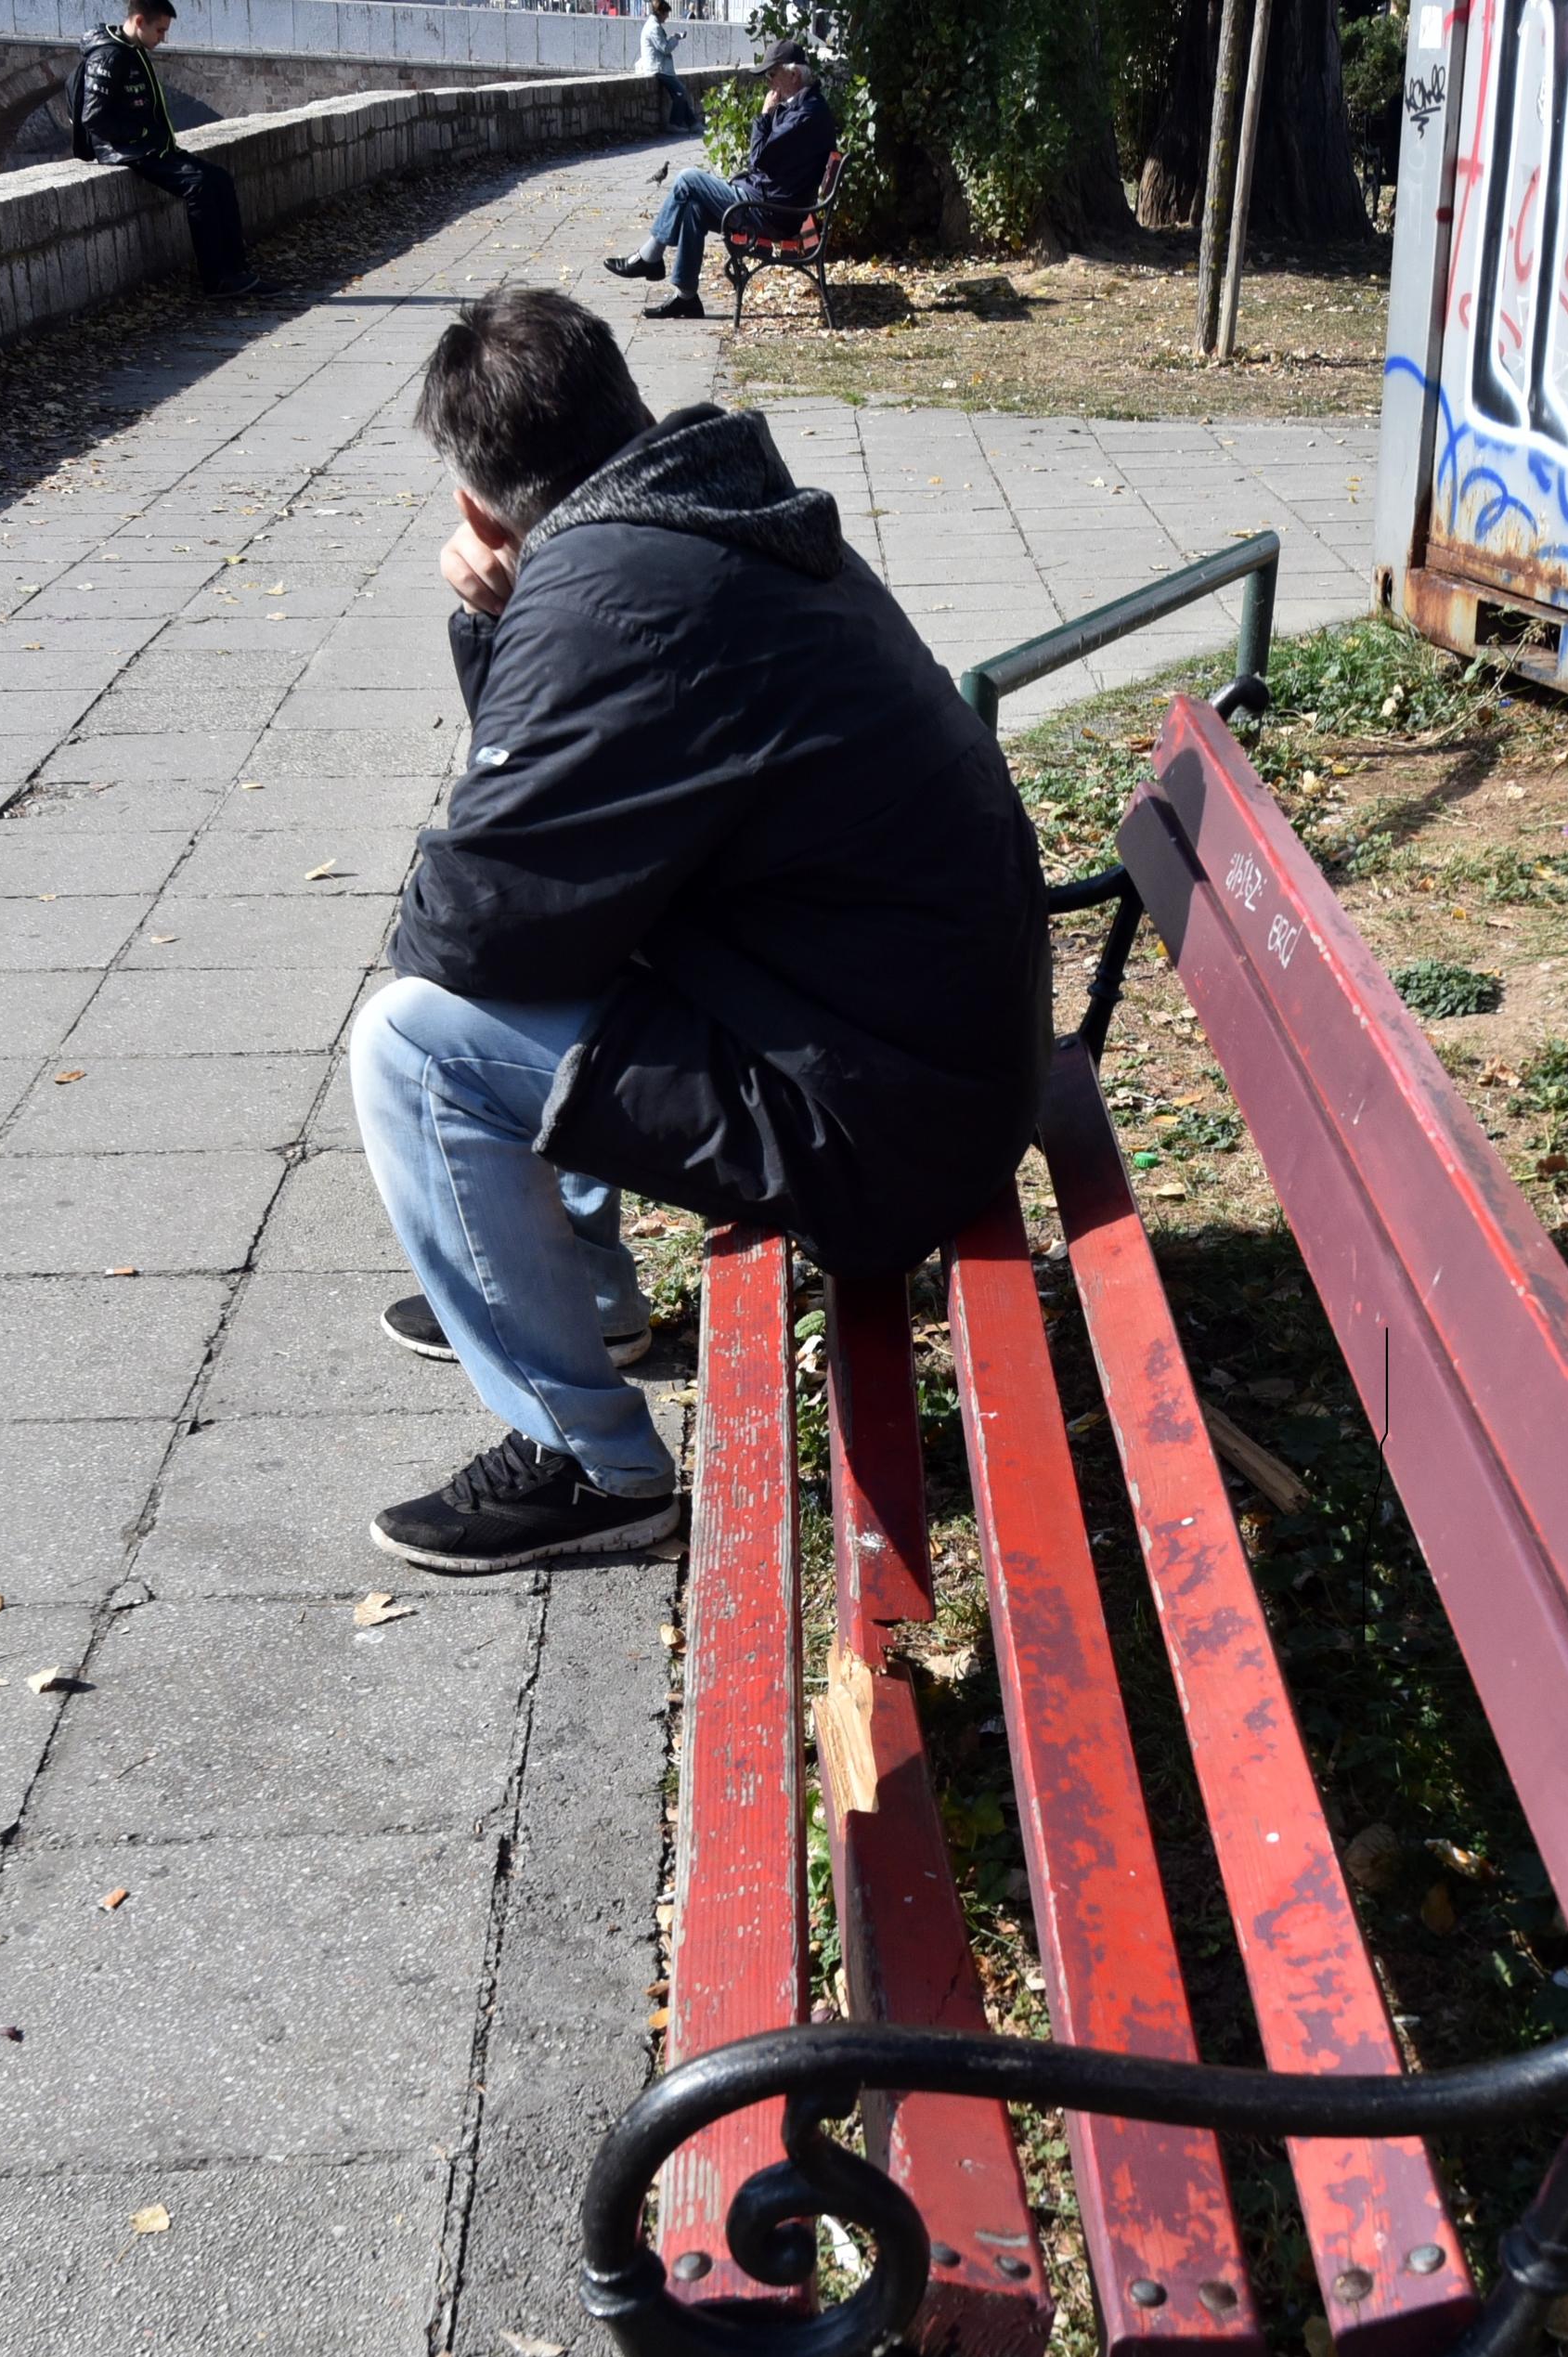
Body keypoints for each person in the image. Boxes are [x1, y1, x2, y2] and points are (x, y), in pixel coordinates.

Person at [352, 288, 1049, 1572]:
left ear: (476, 507)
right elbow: (556, 858)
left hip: (886, 1123)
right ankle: (590, 1301)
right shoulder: (710, 507)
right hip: (926, 1054)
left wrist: (502, 624)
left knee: (413, 1046)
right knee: (602, 907)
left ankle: (591, 1467)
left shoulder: (610, 592)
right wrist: (505, 631)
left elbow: (469, 927)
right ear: (623, 406)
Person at [604, 35, 833, 318]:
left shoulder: (805, 116)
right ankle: (685, 296)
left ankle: (649, 257)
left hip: (769, 213)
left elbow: (758, 159)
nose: (769, 83)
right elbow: (768, 163)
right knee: (694, 207)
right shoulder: (802, 107)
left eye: (773, 75)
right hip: (769, 203)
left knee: (687, 179)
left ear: (795, 75)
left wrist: (764, 115)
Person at [73, 0, 260, 297]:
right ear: (138, 21)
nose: (163, 37)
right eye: (159, 30)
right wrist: (142, 132)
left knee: (220, 179)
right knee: (198, 185)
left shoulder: (132, 48)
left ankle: (237, 270)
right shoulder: (109, 56)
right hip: (128, 151)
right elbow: (93, 117)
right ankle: (216, 279)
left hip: (151, 146)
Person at [639, 0, 696, 130]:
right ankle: (674, 124)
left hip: (661, 68)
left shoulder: (654, 25)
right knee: (680, 92)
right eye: (666, 14)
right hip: (658, 68)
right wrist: (675, 38)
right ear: (660, 13)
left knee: (680, 93)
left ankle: (693, 124)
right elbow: (665, 48)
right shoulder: (653, 28)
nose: (667, 17)